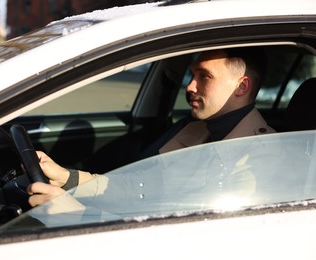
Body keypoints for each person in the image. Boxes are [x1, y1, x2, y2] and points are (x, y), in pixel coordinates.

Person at [27, 47, 276, 207]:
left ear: (241, 87)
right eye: (192, 75)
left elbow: (193, 237)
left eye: (205, 76)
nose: (190, 87)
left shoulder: (261, 159)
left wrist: (78, 216)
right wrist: (67, 178)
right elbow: (143, 187)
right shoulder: (195, 129)